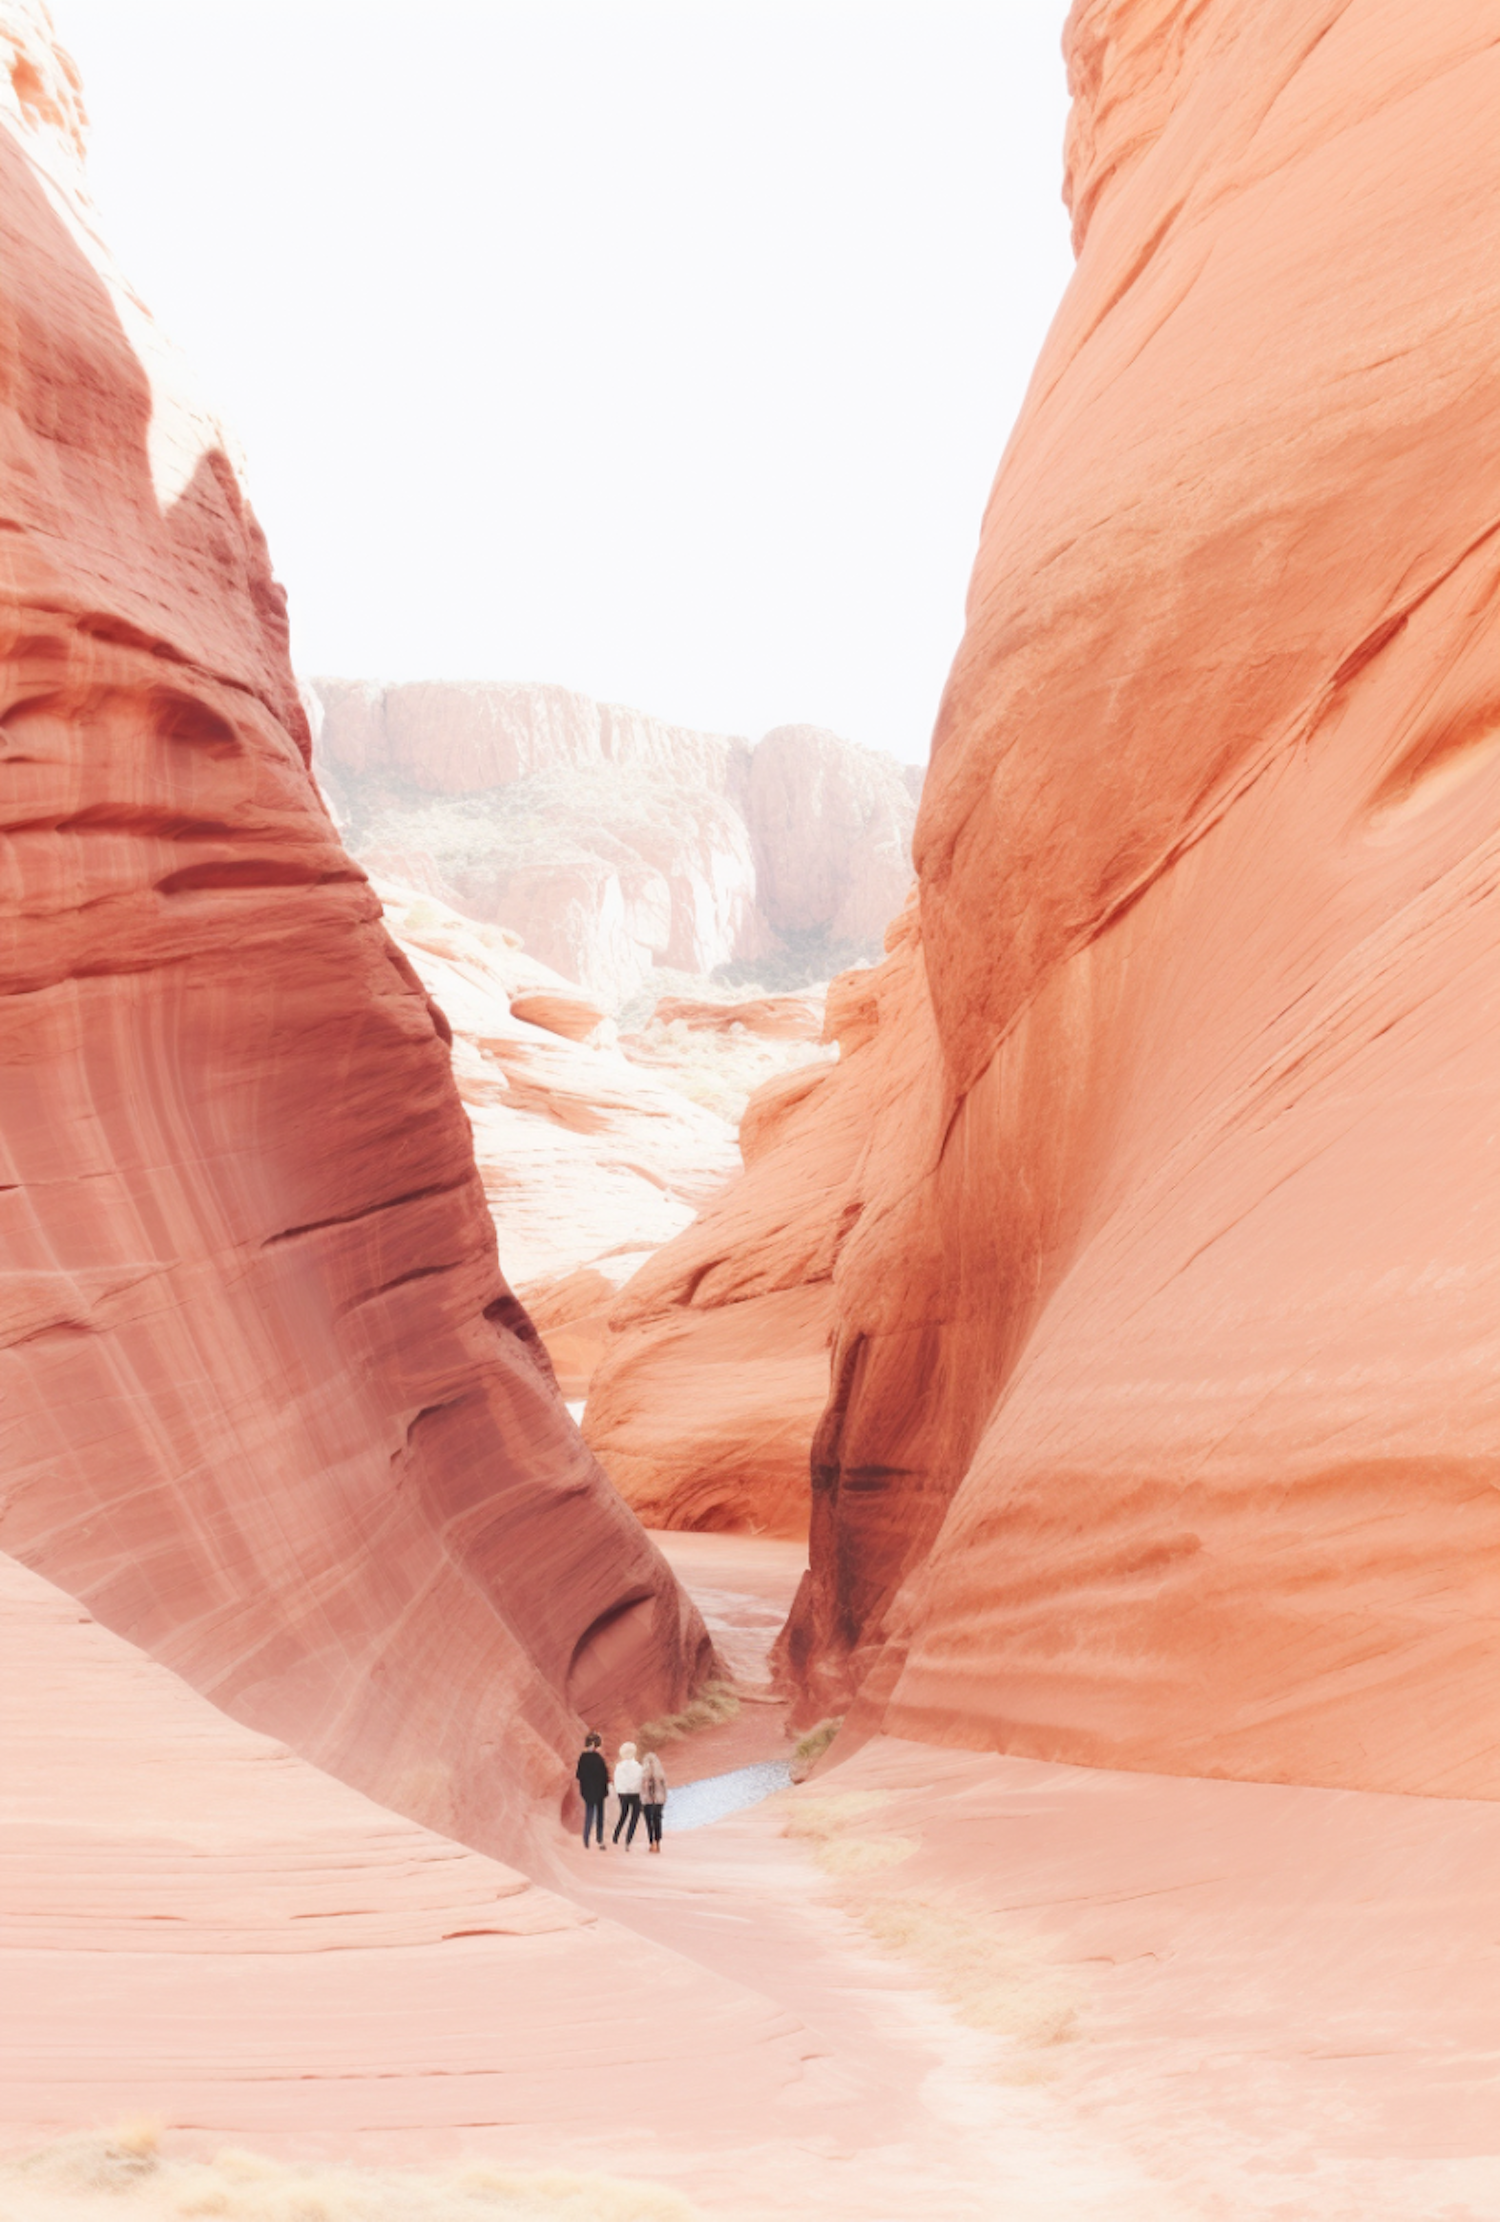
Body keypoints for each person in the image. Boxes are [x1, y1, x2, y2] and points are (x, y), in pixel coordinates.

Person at [575, 1731, 609, 1849]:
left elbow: (578, 1775)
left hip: (587, 1791)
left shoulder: (582, 1758)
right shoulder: (599, 1759)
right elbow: (605, 1776)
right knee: (600, 1815)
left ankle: (586, 1839)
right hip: (600, 1791)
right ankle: (600, 1840)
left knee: (589, 1813)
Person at [611, 1740, 644, 1847]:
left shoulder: (619, 1767)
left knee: (623, 1815)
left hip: (622, 1794)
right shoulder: (638, 1767)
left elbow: (616, 1780)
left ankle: (615, 1837)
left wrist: (619, 1791)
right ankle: (628, 1841)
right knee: (634, 1817)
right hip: (635, 1794)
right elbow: (640, 1781)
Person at [640, 1750, 668, 1852]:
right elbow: (665, 1788)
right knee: (657, 1819)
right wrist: (664, 1799)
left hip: (647, 1801)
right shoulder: (660, 1774)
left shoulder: (643, 1776)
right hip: (659, 1800)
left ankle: (652, 1842)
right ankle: (657, 1841)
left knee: (649, 1821)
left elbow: (641, 1789)